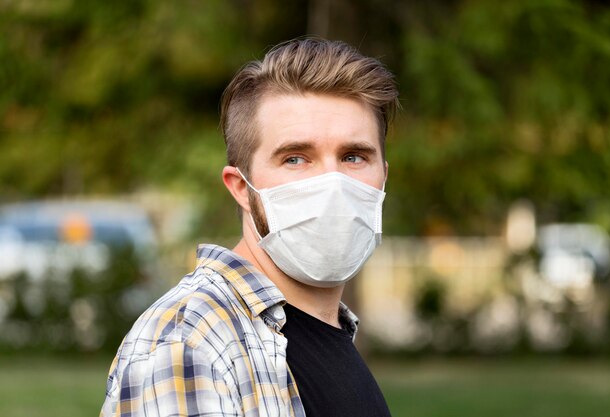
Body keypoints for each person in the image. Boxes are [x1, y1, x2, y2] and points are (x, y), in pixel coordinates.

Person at [101, 37, 399, 417]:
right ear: (241, 187)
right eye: (295, 158)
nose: (332, 184)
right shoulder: (193, 344)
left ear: (382, 177)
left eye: (354, 156)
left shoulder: (328, 332)